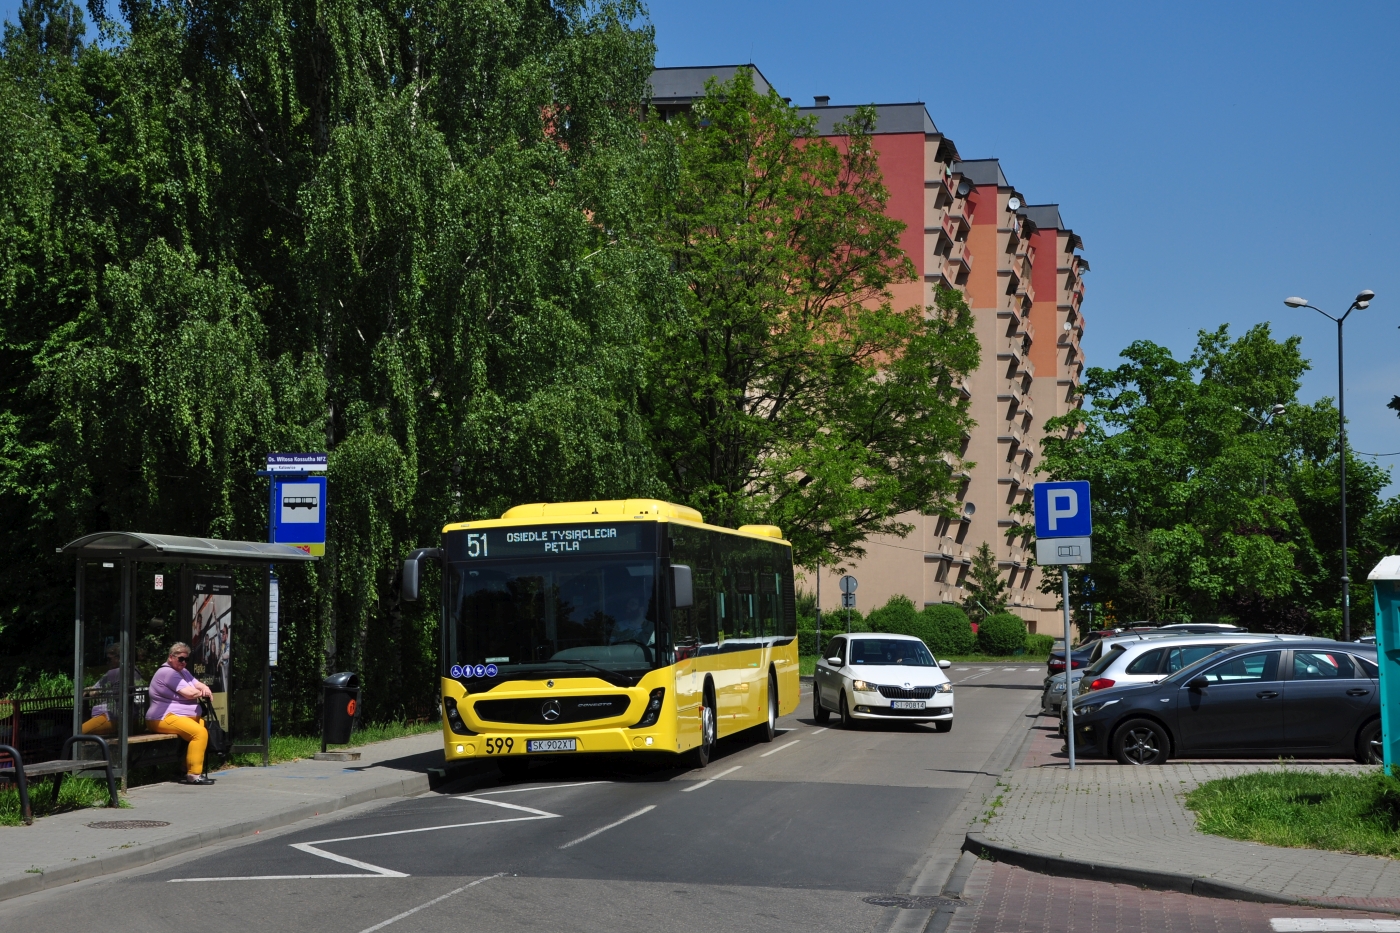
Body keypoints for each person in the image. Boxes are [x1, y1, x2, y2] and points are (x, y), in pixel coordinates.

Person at [146, 642, 216, 785]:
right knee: (199, 733)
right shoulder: (168, 672)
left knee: (202, 725)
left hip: (176, 716)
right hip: (162, 717)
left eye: (186, 659)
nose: (184, 663)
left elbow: (198, 684)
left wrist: (204, 687)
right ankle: (194, 775)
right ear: (171, 657)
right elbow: (190, 693)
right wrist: (204, 692)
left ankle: (183, 768)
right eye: (181, 659)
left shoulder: (183, 672)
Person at [81, 644, 146, 736]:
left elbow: (93, 692)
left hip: (112, 718)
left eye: (109, 659)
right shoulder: (136, 673)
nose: (107, 663)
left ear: (119, 658)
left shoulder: (114, 673)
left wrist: (86, 690)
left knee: (77, 733)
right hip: (134, 720)